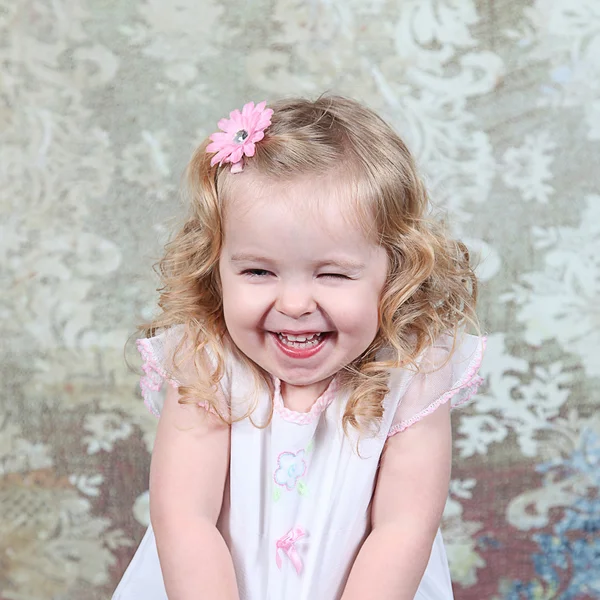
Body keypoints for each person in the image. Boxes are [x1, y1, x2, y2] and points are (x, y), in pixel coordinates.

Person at [112, 95, 486, 600]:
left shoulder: (410, 375)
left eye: (332, 274)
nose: (292, 303)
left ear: (394, 274)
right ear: (215, 268)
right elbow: (185, 520)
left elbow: (402, 529)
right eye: (258, 271)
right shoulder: (205, 363)